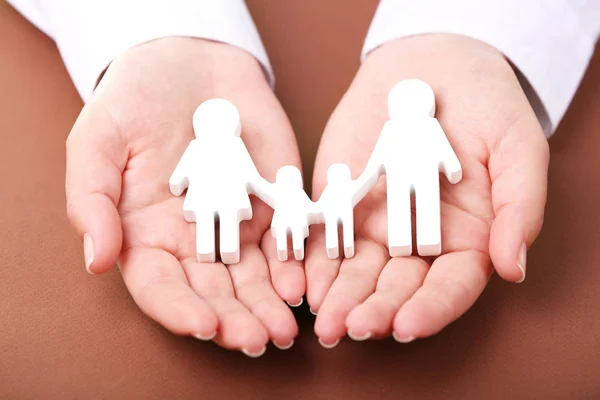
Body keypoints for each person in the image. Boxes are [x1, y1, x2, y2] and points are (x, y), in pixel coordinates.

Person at [6, 0, 600, 355]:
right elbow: (205, 173)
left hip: (410, 186)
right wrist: (158, 22)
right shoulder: (226, 146)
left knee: (416, 218)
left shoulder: (407, 128)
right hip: (223, 199)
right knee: (215, 233)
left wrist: (479, 24)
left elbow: (414, 160)